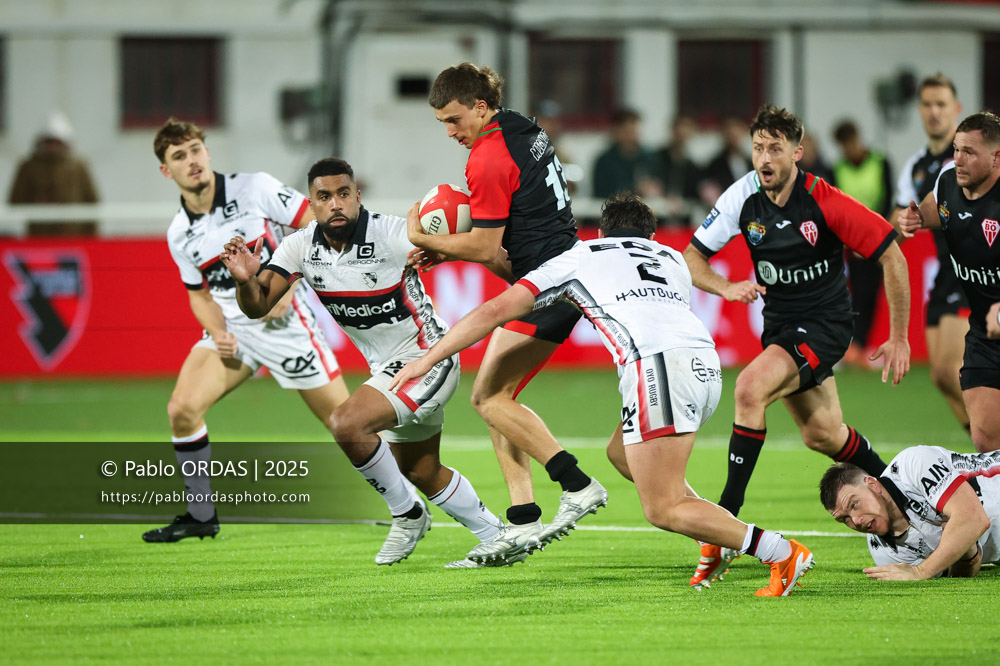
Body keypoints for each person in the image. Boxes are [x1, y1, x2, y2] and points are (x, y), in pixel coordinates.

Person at [391, 192, 815, 595]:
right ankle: (716, 536)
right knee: (620, 453)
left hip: (658, 369)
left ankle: (778, 551)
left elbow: (495, 310)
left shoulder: (581, 256)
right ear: (651, 236)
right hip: (705, 367)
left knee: (662, 508)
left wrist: (427, 359)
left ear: (600, 233)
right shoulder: (671, 258)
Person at [221, 158, 512, 567]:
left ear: (358, 196)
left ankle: (407, 515)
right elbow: (257, 307)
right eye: (325, 196)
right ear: (313, 202)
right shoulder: (299, 247)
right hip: (388, 369)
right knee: (421, 470)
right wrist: (245, 280)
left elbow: (486, 254)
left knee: (347, 423)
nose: (335, 203)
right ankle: (497, 536)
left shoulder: (394, 234)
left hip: (427, 358)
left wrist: (527, 282)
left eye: (343, 194)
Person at [682, 104, 911, 586]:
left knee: (749, 388)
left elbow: (891, 254)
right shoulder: (742, 196)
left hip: (826, 325)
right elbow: (693, 257)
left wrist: (898, 336)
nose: (764, 158)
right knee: (824, 435)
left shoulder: (824, 201)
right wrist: (724, 287)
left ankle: (727, 520)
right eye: (758, 148)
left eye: (775, 149)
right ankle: (906, 489)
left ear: (797, 153)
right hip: (782, 328)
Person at [407, 62, 607, 563]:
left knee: (487, 398)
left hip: (547, 285)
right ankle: (522, 521)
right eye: (442, 124)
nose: (451, 132)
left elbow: (485, 245)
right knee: (499, 400)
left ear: (479, 105)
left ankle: (577, 483)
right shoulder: (519, 125)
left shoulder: (488, 157)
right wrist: (454, 248)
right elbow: (500, 242)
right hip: (556, 272)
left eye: (454, 120)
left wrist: (423, 237)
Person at [143, 118, 350, 543]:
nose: (191, 161)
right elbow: (198, 294)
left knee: (347, 425)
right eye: (178, 156)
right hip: (235, 332)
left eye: (195, 149)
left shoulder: (253, 188)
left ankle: (407, 503)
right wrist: (217, 331)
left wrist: (286, 282)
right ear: (167, 171)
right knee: (181, 410)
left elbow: (314, 223)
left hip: (285, 325)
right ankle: (201, 514)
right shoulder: (179, 233)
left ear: (207, 151)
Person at [897, 111, 1000, 453]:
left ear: (996, 157)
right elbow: (931, 210)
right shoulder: (946, 182)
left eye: (969, 152)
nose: (958, 159)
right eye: (956, 149)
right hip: (985, 332)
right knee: (985, 435)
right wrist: (910, 220)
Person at [890, 74, 969, 433]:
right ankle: (988, 451)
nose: (934, 112)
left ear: (957, 108)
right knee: (940, 378)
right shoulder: (917, 167)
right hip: (944, 275)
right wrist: (900, 223)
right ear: (920, 110)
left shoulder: (970, 157)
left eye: (942, 104)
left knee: (949, 371)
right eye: (928, 104)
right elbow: (898, 226)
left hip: (972, 271)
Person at [820, 447, 1000, 579]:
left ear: (873, 485)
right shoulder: (885, 553)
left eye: (855, 504)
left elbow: (974, 519)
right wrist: (967, 553)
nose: (856, 521)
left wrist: (920, 571)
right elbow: (962, 574)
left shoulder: (912, 465)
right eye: (845, 519)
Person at [832, 119, 895, 365]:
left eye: (849, 143)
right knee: (852, 294)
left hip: (876, 240)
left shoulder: (881, 163)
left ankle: (862, 346)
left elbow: (887, 200)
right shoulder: (838, 169)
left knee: (871, 293)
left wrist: (872, 236)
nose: (847, 149)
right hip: (849, 245)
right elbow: (836, 205)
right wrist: (851, 239)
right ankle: (852, 347)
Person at [8, 111, 99, 233]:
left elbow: (92, 201)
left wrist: (91, 234)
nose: (53, 146)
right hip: (39, 234)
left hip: (72, 234)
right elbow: (15, 200)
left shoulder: (78, 166)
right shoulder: (29, 167)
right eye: (49, 141)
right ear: (41, 141)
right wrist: (36, 203)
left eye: (56, 142)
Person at [591, 108, 663, 199]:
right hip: (616, 210)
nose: (631, 135)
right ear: (616, 131)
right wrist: (634, 189)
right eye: (627, 131)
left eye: (634, 130)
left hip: (645, 208)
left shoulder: (650, 157)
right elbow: (600, 194)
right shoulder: (605, 161)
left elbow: (659, 185)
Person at [653, 115, 703, 227]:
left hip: (683, 222)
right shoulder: (656, 158)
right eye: (680, 126)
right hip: (658, 220)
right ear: (672, 129)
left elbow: (695, 195)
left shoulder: (692, 166)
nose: (683, 131)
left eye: (688, 127)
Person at [699, 116, 753, 207]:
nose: (732, 134)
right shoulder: (714, 165)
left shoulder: (752, 163)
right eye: (728, 130)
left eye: (736, 130)